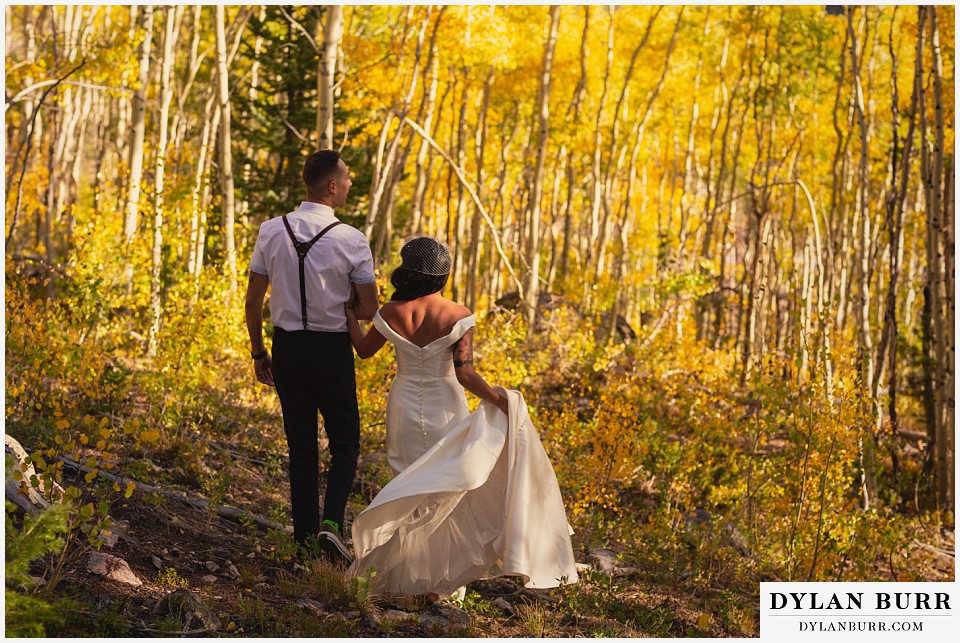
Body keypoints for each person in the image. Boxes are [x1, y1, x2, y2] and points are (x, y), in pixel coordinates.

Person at [343, 236, 578, 598]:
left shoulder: (391, 312)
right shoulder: (459, 315)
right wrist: (500, 401)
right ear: (443, 276)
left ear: (408, 273)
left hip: (403, 402)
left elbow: (363, 350)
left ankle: (399, 580)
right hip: (445, 402)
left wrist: (349, 318)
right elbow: (465, 374)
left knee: (408, 486)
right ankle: (439, 585)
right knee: (444, 488)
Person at [244, 149, 378, 566]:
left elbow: (253, 302)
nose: (352, 185)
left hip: (287, 348)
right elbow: (371, 309)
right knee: (346, 442)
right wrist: (346, 303)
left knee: (300, 447)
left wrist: (258, 351)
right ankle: (332, 525)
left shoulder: (271, 230)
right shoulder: (351, 239)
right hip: (331, 349)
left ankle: (303, 541)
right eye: (349, 179)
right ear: (332, 187)